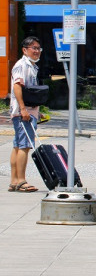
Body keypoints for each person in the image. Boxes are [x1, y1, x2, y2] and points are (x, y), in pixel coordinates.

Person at [8, 36, 43, 193]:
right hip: (24, 112)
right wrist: (23, 109)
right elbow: (17, 87)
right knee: (24, 146)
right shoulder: (21, 65)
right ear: (24, 50)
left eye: (38, 48)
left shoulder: (31, 66)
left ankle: (14, 181)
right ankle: (21, 181)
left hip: (28, 110)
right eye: (33, 48)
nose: (36, 51)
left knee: (17, 146)